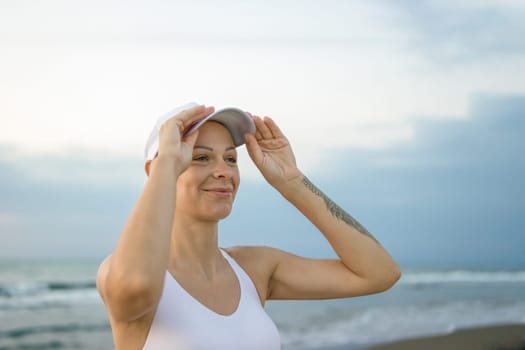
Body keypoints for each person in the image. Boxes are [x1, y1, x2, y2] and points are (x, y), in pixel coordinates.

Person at [96, 103, 401, 350]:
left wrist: (292, 182)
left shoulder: (254, 268)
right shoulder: (119, 272)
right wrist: (166, 165)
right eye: (200, 157)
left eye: (231, 159)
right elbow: (136, 284)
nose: (222, 171)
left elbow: (378, 273)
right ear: (159, 169)